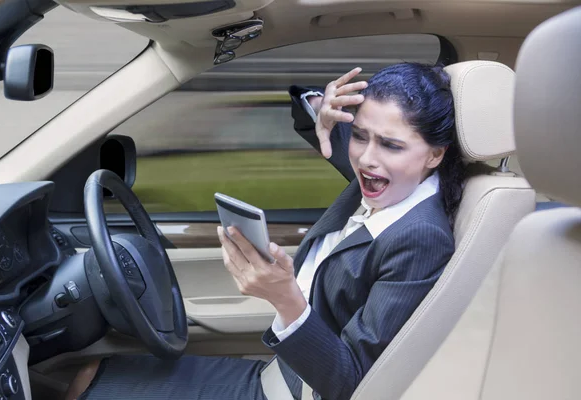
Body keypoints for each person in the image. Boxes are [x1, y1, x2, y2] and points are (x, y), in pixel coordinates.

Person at [75, 63, 464, 400]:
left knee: (88, 385)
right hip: (279, 374)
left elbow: (351, 384)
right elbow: (319, 124)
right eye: (360, 135)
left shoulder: (419, 236)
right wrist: (321, 105)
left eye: (390, 145)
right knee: (91, 372)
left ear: (435, 154)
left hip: (294, 391)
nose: (365, 158)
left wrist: (285, 298)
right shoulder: (395, 177)